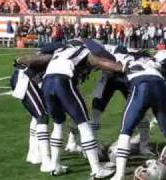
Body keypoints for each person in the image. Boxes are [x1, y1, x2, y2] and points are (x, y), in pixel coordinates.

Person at [85, 43, 166, 180]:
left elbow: (105, 65)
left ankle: (120, 174)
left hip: (141, 85)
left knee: (126, 131)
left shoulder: (119, 56)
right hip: (161, 86)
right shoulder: (151, 59)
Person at [40, 39, 122, 178]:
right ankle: (97, 169)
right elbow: (97, 61)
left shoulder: (60, 50)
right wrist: (120, 67)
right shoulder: (84, 51)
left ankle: (55, 165)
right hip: (63, 81)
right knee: (84, 124)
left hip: (46, 83)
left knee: (58, 124)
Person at [10, 42, 64, 166]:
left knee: (37, 115)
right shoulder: (51, 56)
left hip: (26, 79)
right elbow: (22, 65)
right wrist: (40, 83)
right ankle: (46, 161)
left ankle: (34, 152)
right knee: (42, 116)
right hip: (26, 80)